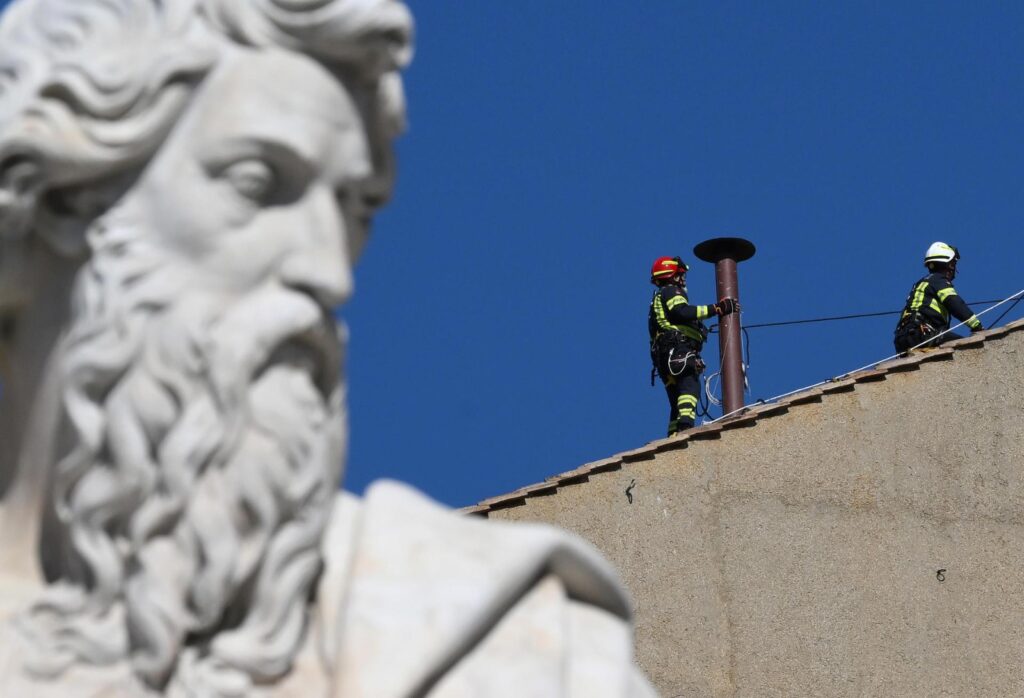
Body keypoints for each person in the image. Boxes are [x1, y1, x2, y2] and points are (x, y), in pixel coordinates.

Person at [648, 256, 737, 436]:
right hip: (677, 349)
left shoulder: (658, 300)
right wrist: (717, 309)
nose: (683, 278)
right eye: (681, 274)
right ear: (673, 276)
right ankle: (686, 429)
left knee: (677, 401)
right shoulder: (671, 291)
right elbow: (682, 312)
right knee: (689, 387)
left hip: (664, 356)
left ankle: (673, 437)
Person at [894, 242, 983, 353]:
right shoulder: (938, 280)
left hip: (903, 339)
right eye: (953, 264)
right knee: (967, 350)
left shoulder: (922, 284)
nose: (954, 268)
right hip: (922, 334)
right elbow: (954, 303)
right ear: (949, 264)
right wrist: (977, 326)